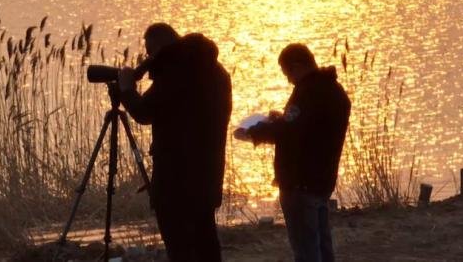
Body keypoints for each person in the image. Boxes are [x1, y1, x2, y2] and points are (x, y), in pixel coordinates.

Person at [118, 23, 232, 262]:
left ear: (160, 47)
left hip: (175, 180)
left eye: (150, 52)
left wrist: (127, 89)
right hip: (208, 174)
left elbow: (143, 112)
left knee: (179, 247)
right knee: (206, 241)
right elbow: (188, 119)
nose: (149, 58)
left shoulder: (175, 73)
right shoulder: (217, 72)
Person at [239, 43, 350, 262]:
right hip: (323, 180)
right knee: (323, 247)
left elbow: (290, 131)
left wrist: (254, 133)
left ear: (297, 66)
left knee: (306, 250)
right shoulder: (335, 91)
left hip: (300, 183)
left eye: (287, 73)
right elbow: (306, 127)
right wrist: (282, 118)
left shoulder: (307, 92)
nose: (288, 80)